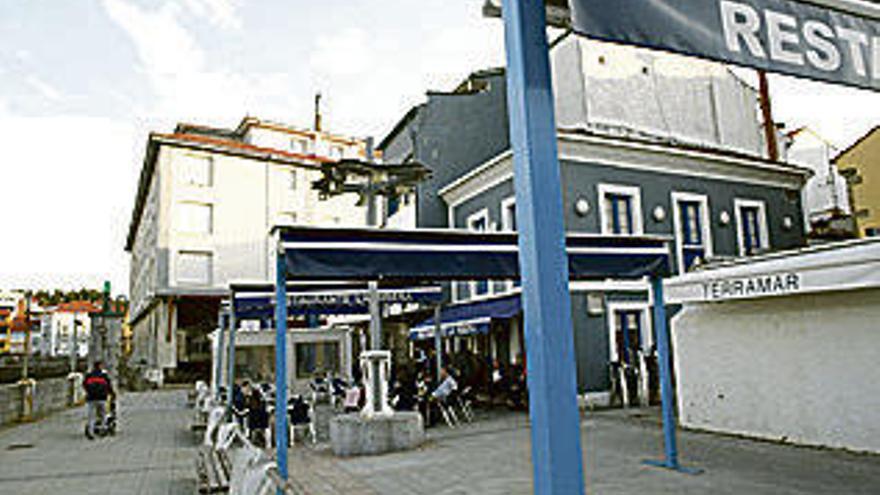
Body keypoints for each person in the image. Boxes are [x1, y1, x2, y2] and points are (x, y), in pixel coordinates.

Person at [83, 360, 114, 440]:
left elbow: (84, 385)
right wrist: (111, 394)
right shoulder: (104, 376)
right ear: (100, 366)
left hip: (91, 398)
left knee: (91, 416)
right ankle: (103, 430)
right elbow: (109, 386)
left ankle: (90, 432)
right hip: (102, 398)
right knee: (103, 415)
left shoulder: (89, 375)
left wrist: (89, 392)